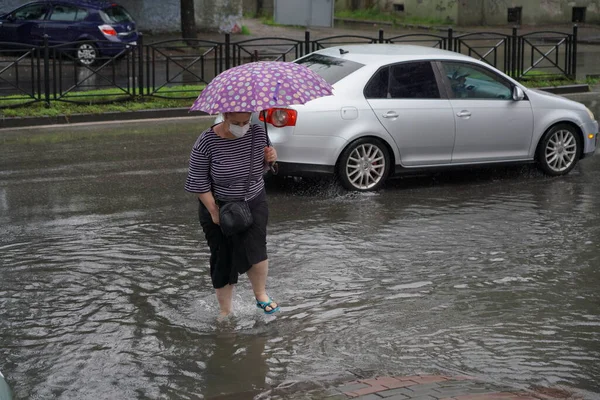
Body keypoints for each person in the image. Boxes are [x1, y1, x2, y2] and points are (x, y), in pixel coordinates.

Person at [185, 112, 279, 318]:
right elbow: (197, 180)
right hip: (219, 205)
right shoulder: (206, 141)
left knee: (256, 248)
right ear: (225, 116)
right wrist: (213, 211)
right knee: (222, 256)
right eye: (236, 123)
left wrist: (271, 157)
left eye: (246, 122)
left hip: (254, 200)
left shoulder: (257, 133)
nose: (242, 127)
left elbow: (262, 168)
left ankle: (261, 294)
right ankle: (225, 310)